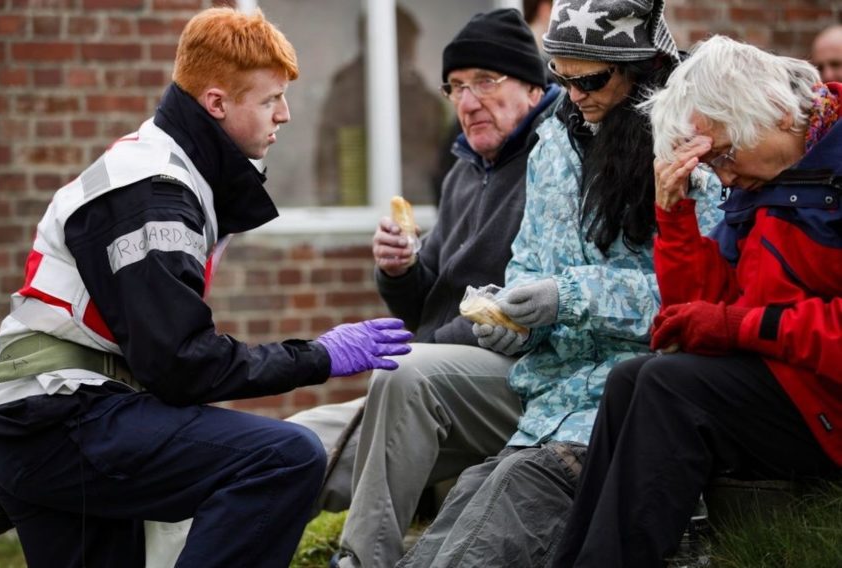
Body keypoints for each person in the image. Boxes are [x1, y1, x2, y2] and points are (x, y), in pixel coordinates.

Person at [0, 8, 412, 568]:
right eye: (270, 99)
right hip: (64, 424)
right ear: (217, 103)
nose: (287, 114)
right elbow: (180, 364)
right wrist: (318, 356)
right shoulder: (154, 191)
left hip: (41, 428)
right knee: (286, 457)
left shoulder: (163, 170)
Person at [398, 1, 725, 566]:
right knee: (446, 533)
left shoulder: (693, 150)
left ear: (641, 67)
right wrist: (516, 327)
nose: (574, 96)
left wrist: (568, 298)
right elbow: (529, 264)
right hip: (545, 412)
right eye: (562, 78)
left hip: (619, 417)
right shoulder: (553, 141)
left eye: (591, 79)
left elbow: (700, 300)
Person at [552, 34, 842, 567]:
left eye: (725, 154)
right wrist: (676, 217)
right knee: (630, 379)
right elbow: (697, 320)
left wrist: (738, 327)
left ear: (778, 113)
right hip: (794, 387)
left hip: (829, 403)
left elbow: (739, 324)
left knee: (668, 386)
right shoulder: (766, 179)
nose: (724, 175)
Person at [330, 9, 562, 568]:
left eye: (485, 81)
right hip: (435, 371)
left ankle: (360, 560)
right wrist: (399, 270)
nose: (467, 100)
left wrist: (423, 346)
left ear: (533, 85)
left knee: (403, 376)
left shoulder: (556, 161)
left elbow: (512, 305)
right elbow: (422, 304)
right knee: (293, 442)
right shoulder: (465, 169)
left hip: (528, 375)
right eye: (456, 86)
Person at [315, 5, 448, 206]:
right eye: (407, 43)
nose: (411, 53)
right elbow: (331, 158)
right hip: (360, 202)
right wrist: (335, 206)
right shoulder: (351, 89)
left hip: (419, 200)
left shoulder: (414, 89)